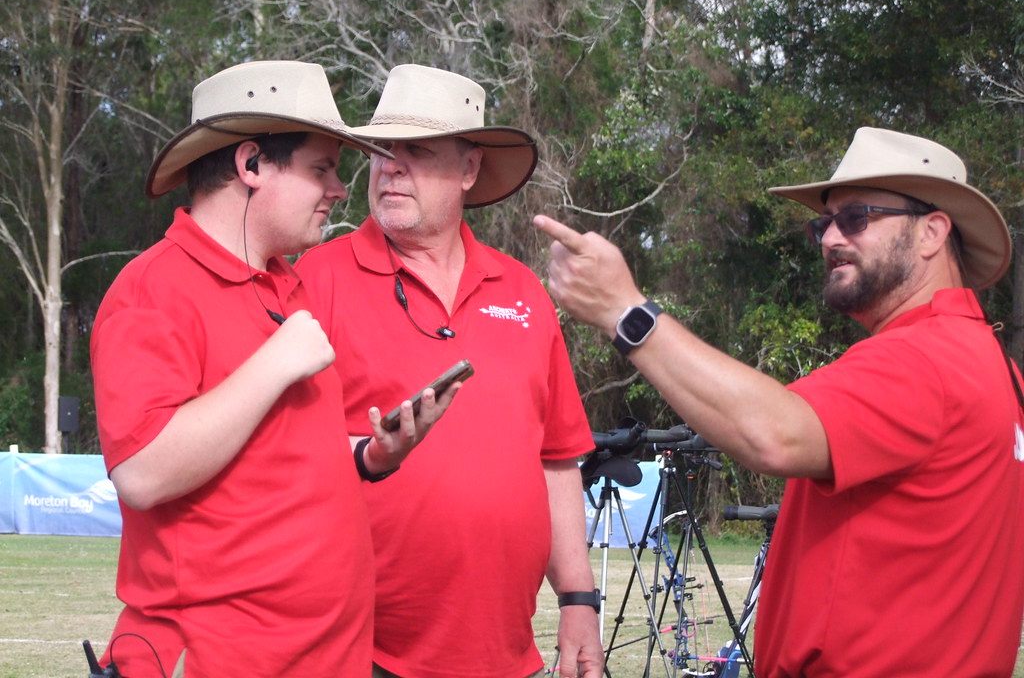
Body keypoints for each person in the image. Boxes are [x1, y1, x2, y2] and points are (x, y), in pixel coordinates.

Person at [532, 127, 1024, 677]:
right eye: (824, 222)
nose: (830, 237)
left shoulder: (926, 359)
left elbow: (774, 434)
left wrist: (627, 314)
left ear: (932, 231)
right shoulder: (991, 365)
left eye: (857, 217)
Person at [90, 60, 461, 678]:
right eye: (321, 168)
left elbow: (272, 456)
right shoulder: (154, 288)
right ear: (253, 165)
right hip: (224, 657)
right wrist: (274, 364)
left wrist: (368, 456)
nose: (340, 189)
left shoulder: (285, 285)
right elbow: (142, 472)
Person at [295, 64, 604, 678]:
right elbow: (276, 458)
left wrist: (578, 601)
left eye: (417, 150)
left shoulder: (522, 291)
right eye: (383, 151)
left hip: (506, 655)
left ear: (468, 169)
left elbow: (557, 458)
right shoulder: (315, 280)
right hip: (358, 654)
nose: (390, 166)